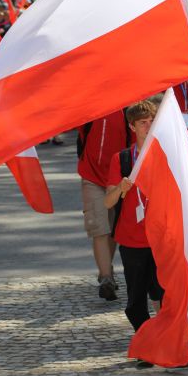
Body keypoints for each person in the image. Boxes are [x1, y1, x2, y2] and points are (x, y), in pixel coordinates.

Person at [104, 101, 163, 368]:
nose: (148, 126)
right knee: (136, 299)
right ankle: (146, 343)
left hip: (161, 237)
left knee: (163, 295)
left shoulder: (163, 154)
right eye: (143, 123)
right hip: (132, 240)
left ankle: (165, 343)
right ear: (132, 126)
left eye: (152, 121)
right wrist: (121, 188)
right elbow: (108, 202)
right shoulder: (123, 158)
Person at [77, 108, 133, 301]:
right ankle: (107, 277)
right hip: (91, 176)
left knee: (112, 230)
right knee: (99, 228)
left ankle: (106, 271)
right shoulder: (89, 105)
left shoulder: (128, 109)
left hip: (118, 177)